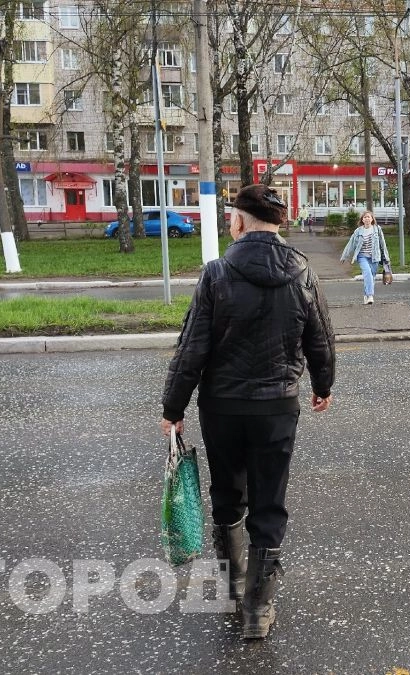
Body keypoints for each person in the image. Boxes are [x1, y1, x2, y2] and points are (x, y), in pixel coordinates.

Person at [159, 183, 336, 641]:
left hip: (222, 407)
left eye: (230, 216)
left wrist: (173, 407)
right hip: (277, 405)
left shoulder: (216, 273)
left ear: (238, 222)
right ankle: (258, 609)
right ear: (278, 225)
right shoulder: (302, 273)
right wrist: (323, 385)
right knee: (269, 499)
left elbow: (192, 347)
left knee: (227, 492)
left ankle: (235, 583)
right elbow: (319, 338)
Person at [339, 211, 390, 305]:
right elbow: (351, 244)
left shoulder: (377, 229)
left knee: (372, 277)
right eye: (365, 217)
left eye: (369, 217)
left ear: (372, 219)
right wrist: (344, 256)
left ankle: (366, 294)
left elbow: (382, 244)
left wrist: (386, 258)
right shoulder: (358, 231)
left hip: (375, 257)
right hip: (362, 257)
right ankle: (370, 295)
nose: (367, 219)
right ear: (362, 220)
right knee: (367, 273)